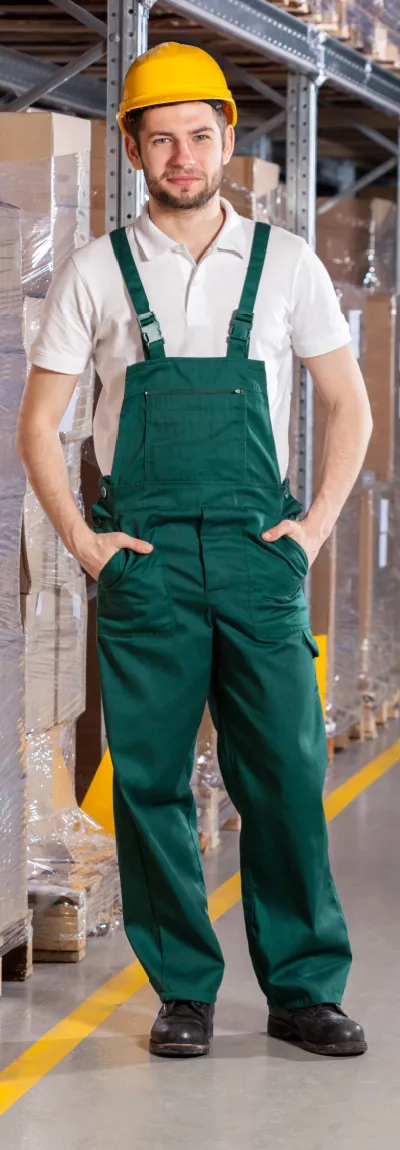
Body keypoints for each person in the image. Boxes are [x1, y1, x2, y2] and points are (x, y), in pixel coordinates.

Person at [16, 42, 372, 1060]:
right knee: (151, 786)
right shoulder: (96, 271)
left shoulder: (286, 263)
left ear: (226, 139)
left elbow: (348, 404)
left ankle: (304, 990)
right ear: (133, 149)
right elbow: (38, 424)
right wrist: (88, 545)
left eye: (200, 136)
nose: (184, 156)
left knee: (286, 777)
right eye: (162, 138)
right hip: (149, 561)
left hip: (260, 557)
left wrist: (313, 530)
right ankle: (184, 989)